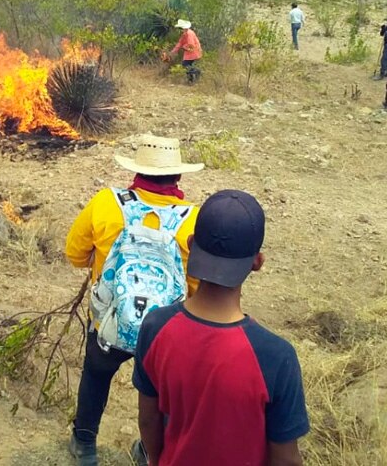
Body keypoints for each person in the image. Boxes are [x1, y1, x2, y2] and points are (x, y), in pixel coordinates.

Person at [131, 190, 309, 466]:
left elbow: (148, 419)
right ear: (257, 262)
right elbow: (286, 459)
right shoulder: (276, 357)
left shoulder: (155, 328)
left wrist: (155, 461)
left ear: (190, 244)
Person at [65, 135, 204, 466]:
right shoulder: (194, 219)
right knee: (162, 395)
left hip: (111, 323)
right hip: (166, 333)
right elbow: (197, 283)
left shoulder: (106, 203)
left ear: (137, 171)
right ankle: (150, 452)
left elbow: (73, 254)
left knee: (96, 376)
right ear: (178, 176)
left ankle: (84, 443)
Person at [168, 20, 202, 84]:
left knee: (185, 64)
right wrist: (172, 52)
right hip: (190, 52)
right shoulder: (185, 34)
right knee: (187, 65)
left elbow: (190, 44)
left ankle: (196, 73)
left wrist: (184, 47)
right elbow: (179, 43)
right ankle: (191, 81)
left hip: (194, 52)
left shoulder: (189, 33)